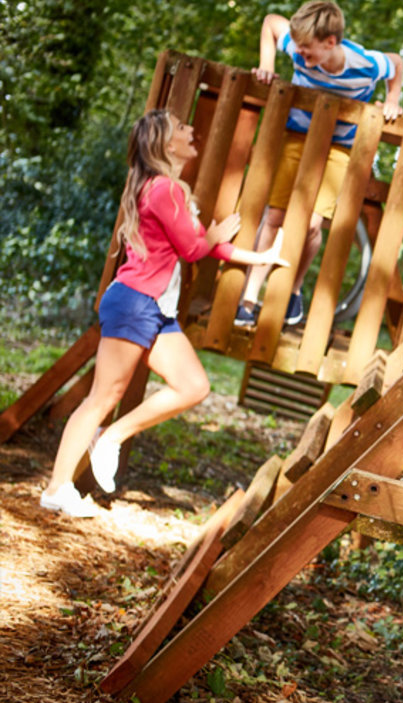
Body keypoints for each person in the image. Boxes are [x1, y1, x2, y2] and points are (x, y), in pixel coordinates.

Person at [39, 109, 290, 517]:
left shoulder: (175, 189)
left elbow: (206, 244)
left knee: (193, 385)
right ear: (164, 143)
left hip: (155, 307)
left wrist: (260, 256)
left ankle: (111, 437)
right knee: (103, 396)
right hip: (135, 300)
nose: (191, 131)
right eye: (182, 128)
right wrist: (216, 235)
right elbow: (197, 249)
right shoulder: (163, 190)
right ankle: (56, 488)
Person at [235, 0, 403, 328]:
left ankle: (293, 292)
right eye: (296, 47)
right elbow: (272, 21)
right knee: (275, 216)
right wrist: (266, 63)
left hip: (339, 147)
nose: (298, 54)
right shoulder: (298, 46)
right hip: (297, 136)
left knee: (313, 223)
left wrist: (393, 99)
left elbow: (396, 63)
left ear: (331, 42)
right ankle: (249, 296)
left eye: (306, 49)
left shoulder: (365, 64)